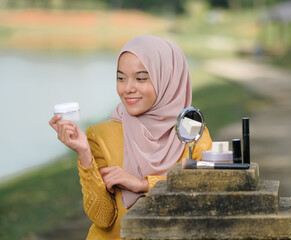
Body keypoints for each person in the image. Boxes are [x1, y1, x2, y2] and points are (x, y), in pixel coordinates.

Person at [49, 35, 212, 239]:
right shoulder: (99, 135)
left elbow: (208, 191)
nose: (127, 89)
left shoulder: (192, 132)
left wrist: (144, 184)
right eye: (121, 78)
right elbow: (103, 218)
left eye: (141, 78)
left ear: (168, 78)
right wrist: (84, 154)